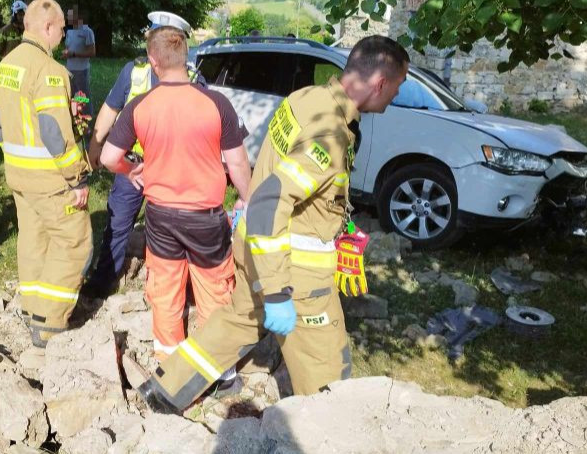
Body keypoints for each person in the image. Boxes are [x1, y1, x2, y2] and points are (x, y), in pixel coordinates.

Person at [136, 35, 410, 413]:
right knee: (326, 369)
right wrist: (280, 294)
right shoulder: (329, 136)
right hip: (295, 272)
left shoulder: (306, 98)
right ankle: (327, 432)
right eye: (396, 89)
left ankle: (166, 388)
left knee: (237, 323)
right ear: (380, 83)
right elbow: (271, 201)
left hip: (253, 247)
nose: (393, 99)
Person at [100, 26, 253, 363]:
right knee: (214, 290)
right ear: (186, 58)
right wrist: (245, 197)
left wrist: (131, 170)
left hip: (161, 216)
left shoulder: (140, 106)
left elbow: (108, 158)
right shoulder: (215, 102)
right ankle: (218, 370)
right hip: (206, 218)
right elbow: (238, 161)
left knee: (166, 291)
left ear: (154, 62)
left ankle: (171, 366)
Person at [0, 0, 92, 348]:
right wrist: (77, 177)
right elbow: (54, 132)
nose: (63, 36)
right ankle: (49, 324)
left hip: (19, 176)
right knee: (75, 244)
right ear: (48, 27)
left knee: (33, 241)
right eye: (62, 29)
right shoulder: (49, 71)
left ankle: (32, 308)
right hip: (51, 180)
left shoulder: (6, 65)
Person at [83, 11, 206, 297]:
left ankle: (171, 289)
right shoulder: (134, 71)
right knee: (117, 223)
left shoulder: (194, 80)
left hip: (171, 171)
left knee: (172, 232)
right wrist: (95, 143)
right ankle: (103, 283)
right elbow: (110, 108)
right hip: (132, 167)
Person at [63, 7, 95, 101]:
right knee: (71, 95)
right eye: (68, 16)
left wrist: (73, 54)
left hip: (82, 70)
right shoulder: (69, 32)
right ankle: (74, 114)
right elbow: (68, 48)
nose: (68, 18)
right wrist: (66, 53)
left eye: (70, 16)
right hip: (69, 70)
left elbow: (92, 52)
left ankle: (87, 113)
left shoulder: (87, 31)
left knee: (83, 96)